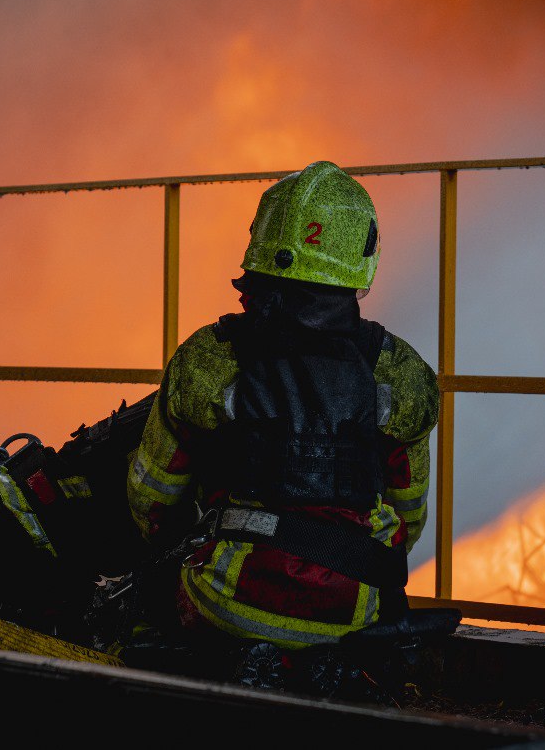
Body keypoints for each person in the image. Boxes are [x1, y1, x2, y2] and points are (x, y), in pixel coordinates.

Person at [126, 160, 439, 649]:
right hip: (354, 617)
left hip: (222, 604)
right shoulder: (403, 375)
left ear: (260, 247)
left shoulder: (207, 358)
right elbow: (409, 517)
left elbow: (152, 499)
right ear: (361, 255)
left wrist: (178, 555)